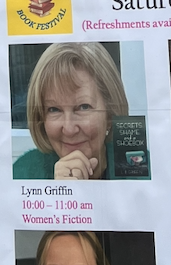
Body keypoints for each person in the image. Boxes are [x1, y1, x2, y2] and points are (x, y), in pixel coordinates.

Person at [14, 43, 129, 181]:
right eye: (54, 109)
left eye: (83, 107)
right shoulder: (22, 173)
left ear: (110, 114)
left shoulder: (139, 166)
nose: (69, 129)